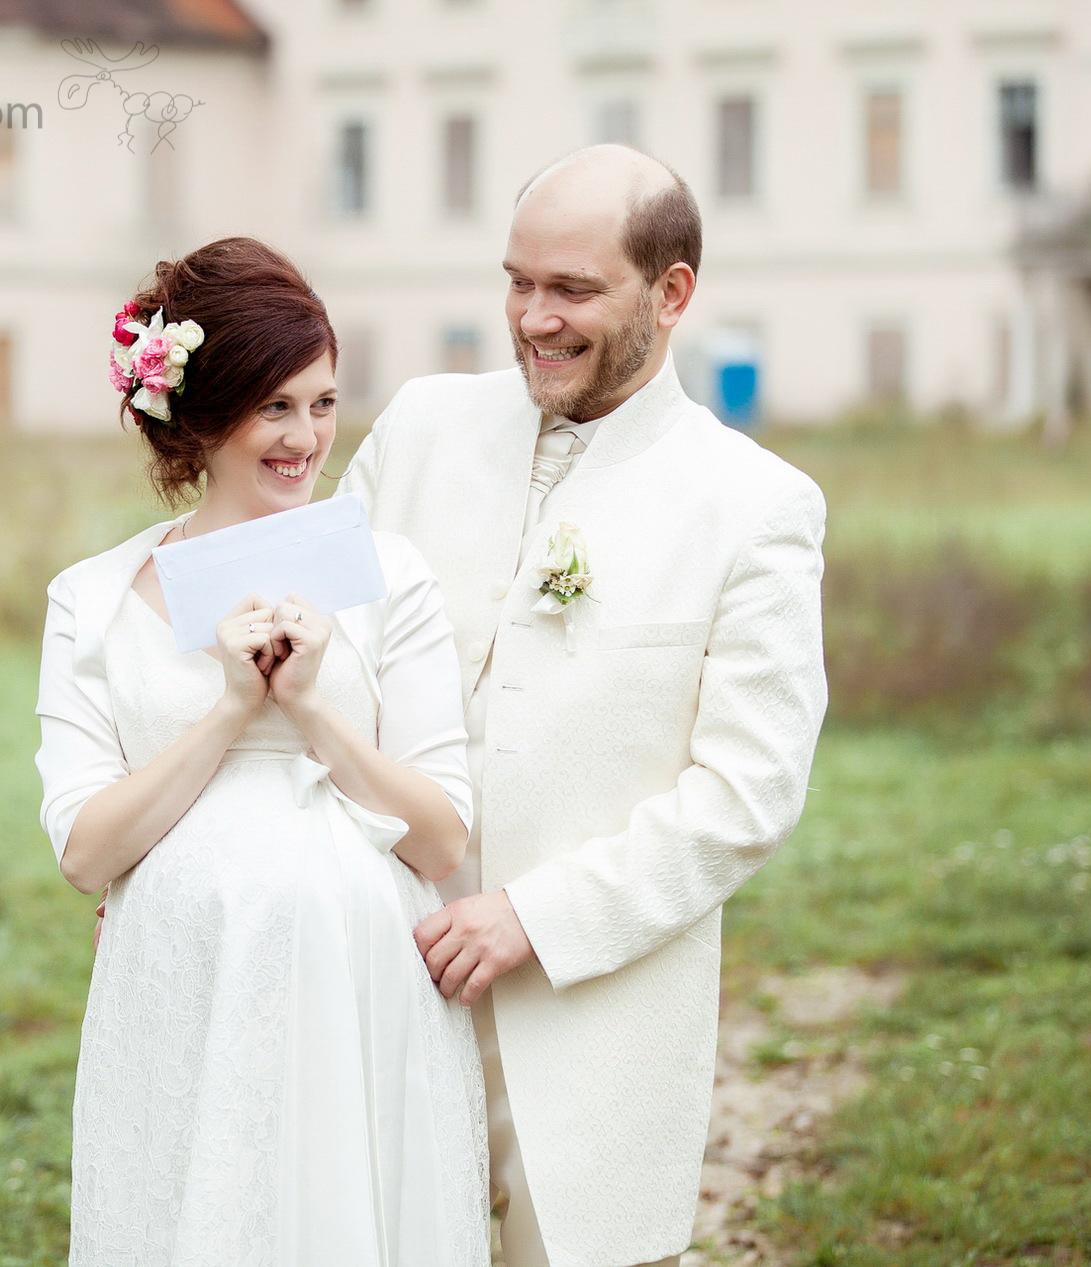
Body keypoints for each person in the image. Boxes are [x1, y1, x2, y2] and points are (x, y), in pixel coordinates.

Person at [335, 145, 829, 1267]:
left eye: (571, 290)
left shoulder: (755, 506)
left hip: (584, 1021)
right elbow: (312, 656)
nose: (531, 318)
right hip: (375, 981)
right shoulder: (416, 426)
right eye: (517, 281)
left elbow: (747, 793)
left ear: (672, 292)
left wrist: (532, 918)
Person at [33, 237, 489, 1266]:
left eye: (322, 402)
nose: (304, 437)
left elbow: (441, 836)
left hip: (358, 981)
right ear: (199, 415)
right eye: (272, 406)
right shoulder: (93, 599)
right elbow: (84, 851)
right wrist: (231, 709)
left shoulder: (388, 574)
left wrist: (317, 710)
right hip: (184, 978)